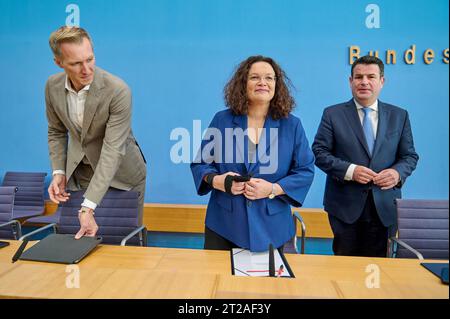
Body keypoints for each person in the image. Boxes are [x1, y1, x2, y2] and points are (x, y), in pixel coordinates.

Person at [191, 55, 314, 252]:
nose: (262, 83)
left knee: (269, 284)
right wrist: (216, 181)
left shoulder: (292, 125)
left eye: (269, 78)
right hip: (224, 226)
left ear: (277, 85)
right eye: (254, 77)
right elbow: (200, 164)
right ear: (243, 83)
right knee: (220, 283)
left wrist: (273, 189)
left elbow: (305, 171)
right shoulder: (221, 120)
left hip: (273, 228)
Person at [312, 55, 419, 257]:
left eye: (371, 76)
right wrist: (350, 171)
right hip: (345, 208)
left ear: (382, 81)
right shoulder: (332, 114)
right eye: (358, 77)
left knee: (381, 274)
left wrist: (396, 174)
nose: (364, 82)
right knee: (345, 273)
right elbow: (319, 152)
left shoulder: (399, 115)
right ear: (350, 81)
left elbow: (409, 156)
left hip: (385, 207)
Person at [45, 26, 147, 239]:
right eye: (75, 63)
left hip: (122, 175)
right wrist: (59, 172)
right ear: (59, 63)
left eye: (90, 59)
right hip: (81, 174)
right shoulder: (52, 86)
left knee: (122, 246)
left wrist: (88, 207)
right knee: (82, 241)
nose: (86, 69)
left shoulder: (117, 90)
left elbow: (112, 151)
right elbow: (56, 131)